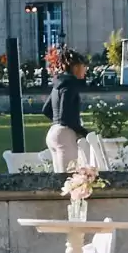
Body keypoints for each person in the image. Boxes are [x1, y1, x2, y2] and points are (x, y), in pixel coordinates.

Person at [42, 43, 90, 175]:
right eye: (83, 66)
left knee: (60, 177)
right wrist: (82, 131)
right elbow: (65, 116)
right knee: (69, 177)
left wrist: (57, 121)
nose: (85, 70)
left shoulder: (58, 84)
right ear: (75, 67)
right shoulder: (71, 85)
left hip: (53, 133)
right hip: (64, 136)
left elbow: (46, 110)